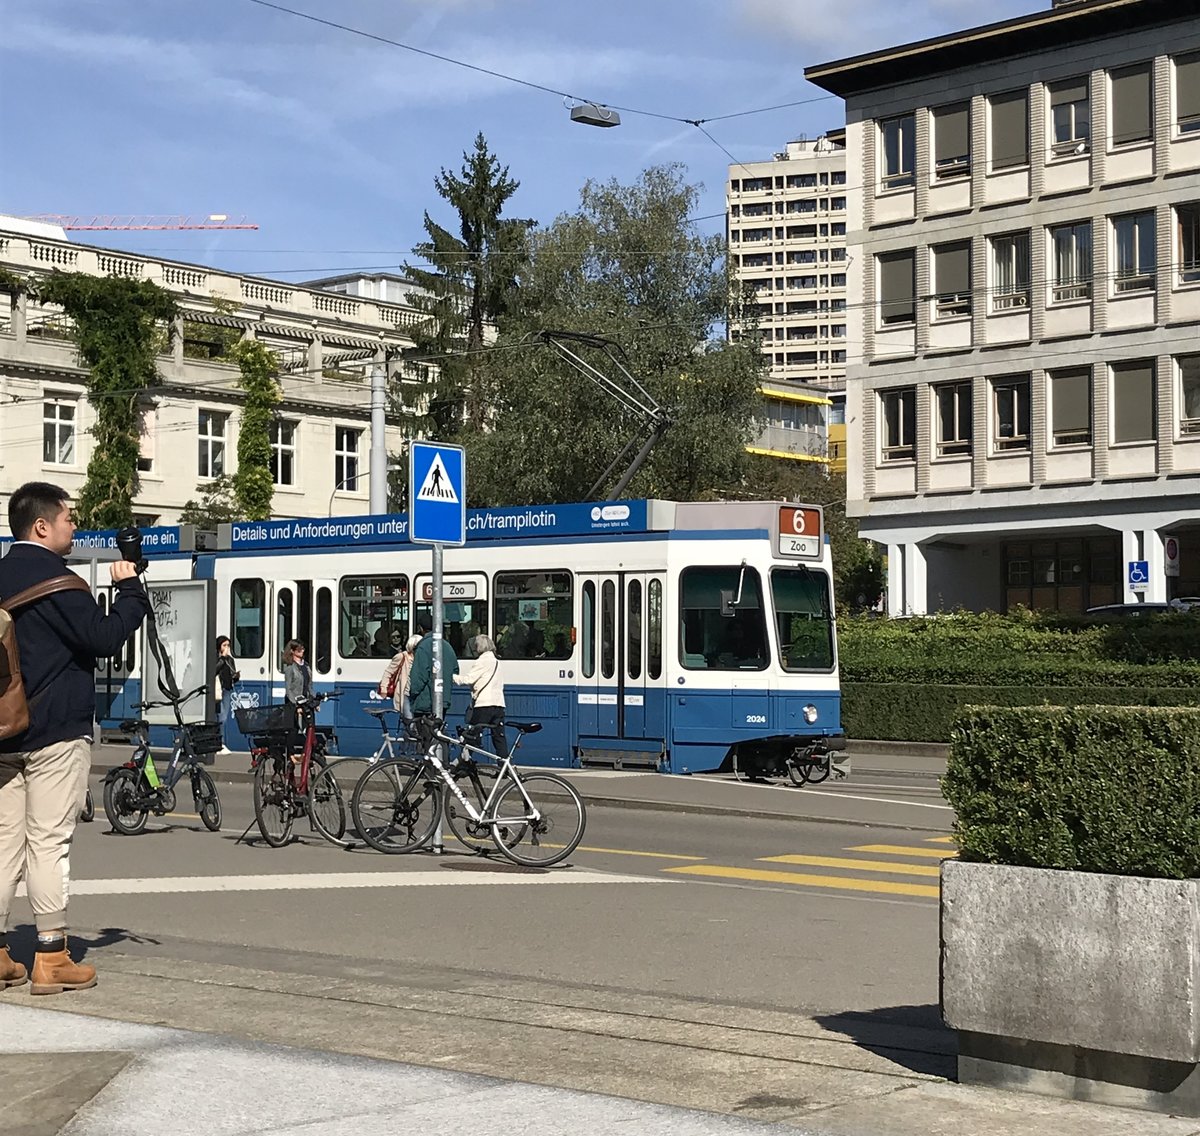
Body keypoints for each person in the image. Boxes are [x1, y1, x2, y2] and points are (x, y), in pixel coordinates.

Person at [0, 482, 150, 995]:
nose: (74, 526)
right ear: (42, 525)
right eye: (68, 518)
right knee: (47, 842)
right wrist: (130, 590)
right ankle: (51, 956)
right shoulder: (58, 582)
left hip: (4, 733)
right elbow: (103, 637)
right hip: (55, 733)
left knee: (3, 843)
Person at [454, 634, 506, 757]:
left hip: (484, 704)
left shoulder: (482, 661)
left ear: (480, 646)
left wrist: (451, 676)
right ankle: (503, 764)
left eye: (476, 645)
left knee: (472, 735)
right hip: (499, 704)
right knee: (499, 737)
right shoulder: (497, 662)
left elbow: (468, 679)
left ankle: (464, 762)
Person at [407, 612, 458, 725]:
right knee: (437, 732)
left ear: (421, 628)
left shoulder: (423, 647)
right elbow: (455, 671)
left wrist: (412, 694)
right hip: (443, 700)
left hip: (425, 703)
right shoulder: (448, 646)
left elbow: (418, 678)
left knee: (424, 734)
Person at [377, 633, 421, 721]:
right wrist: (384, 689)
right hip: (405, 695)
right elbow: (388, 672)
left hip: (417, 696)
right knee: (409, 721)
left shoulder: (421, 659)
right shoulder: (401, 657)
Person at [213, 635, 239, 755]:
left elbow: (232, 673)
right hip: (218, 690)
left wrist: (236, 677)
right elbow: (214, 670)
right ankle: (220, 743)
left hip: (227, 690)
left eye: (228, 645)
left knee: (223, 717)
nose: (226, 648)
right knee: (220, 717)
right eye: (224, 645)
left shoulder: (230, 660)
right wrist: (222, 658)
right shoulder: (216, 658)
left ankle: (219, 743)